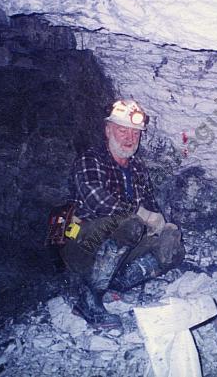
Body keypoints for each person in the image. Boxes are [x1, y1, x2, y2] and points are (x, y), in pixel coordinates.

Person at [59, 99, 185, 329]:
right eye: (122, 130)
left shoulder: (138, 169)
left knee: (172, 250)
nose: (129, 137)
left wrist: (166, 228)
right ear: (108, 130)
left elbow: (151, 206)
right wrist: (143, 216)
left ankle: (115, 284)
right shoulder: (91, 159)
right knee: (130, 224)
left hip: (118, 248)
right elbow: (98, 201)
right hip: (82, 244)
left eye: (135, 133)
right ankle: (88, 299)